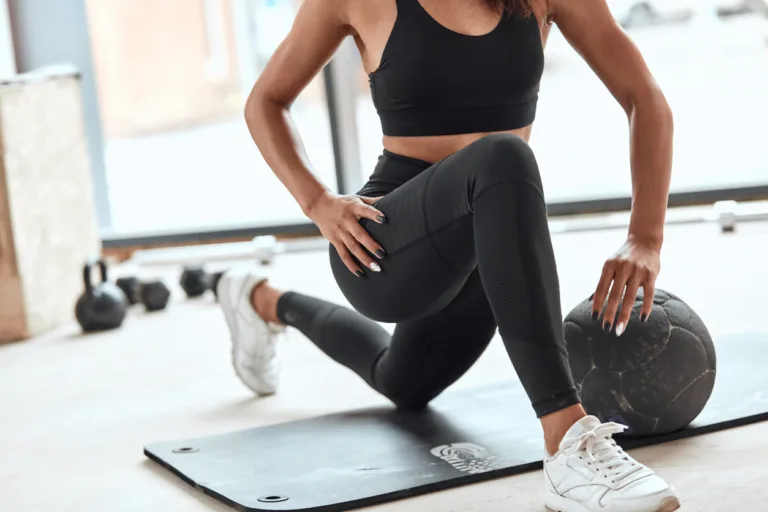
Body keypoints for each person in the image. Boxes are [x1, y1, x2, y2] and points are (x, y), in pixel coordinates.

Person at [217, 0, 678, 510]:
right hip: (386, 247)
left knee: (403, 383)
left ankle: (259, 299)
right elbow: (267, 100)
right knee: (503, 155)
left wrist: (645, 237)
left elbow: (645, 96)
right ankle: (567, 446)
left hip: (484, 250)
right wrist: (317, 201)